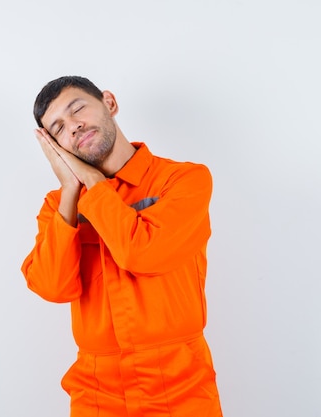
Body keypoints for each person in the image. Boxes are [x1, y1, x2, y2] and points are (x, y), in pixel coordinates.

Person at [21, 75, 223, 417]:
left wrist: (96, 184)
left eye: (77, 108)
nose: (73, 126)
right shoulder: (59, 205)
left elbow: (141, 253)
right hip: (97, 394)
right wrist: (71, 190)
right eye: (57, 128)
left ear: (109, 103)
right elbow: (53, 287)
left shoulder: (183, 180)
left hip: (181, 387)